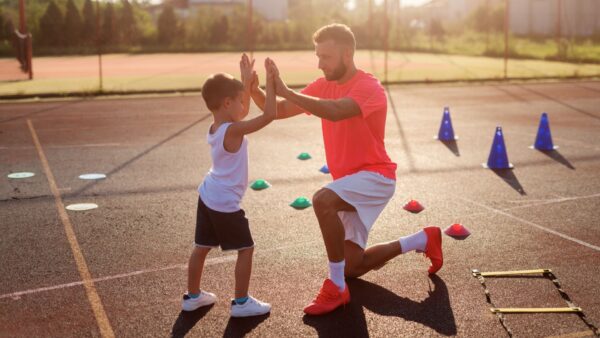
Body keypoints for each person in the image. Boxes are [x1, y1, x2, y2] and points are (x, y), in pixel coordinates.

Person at [248, 24, 443, 315]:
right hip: (350, 181)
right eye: (317, 56)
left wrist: (287, 89)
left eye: (325, 57)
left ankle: (336, 288)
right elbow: (276, 110)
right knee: (353, 266)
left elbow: (338, 111)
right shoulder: (322, 84)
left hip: (375, 176)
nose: (319, 63)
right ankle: (422, 239)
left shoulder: (369, 88)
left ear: (347, 54)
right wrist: (255, 90)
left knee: (322, 200)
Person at [181, 54, 277, 317]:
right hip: (224, 202)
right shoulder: (233, 131)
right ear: (226, 102)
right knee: (246, 249)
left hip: (208, 194)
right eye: (238, 99)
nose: (243, 104)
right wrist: (270, 82)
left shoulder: (217, 126)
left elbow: (241, 112)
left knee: (201, 246)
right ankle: (242, 302)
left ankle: (193, 296)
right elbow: (270, 114)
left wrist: (245, 83)